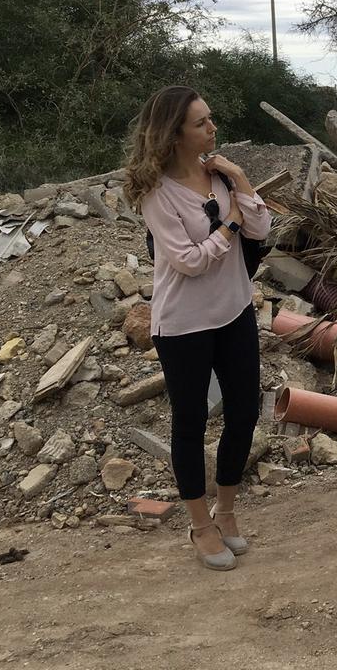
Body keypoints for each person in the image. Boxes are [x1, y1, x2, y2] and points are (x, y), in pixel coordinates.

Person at [124, 86, 271, 570]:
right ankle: (199, 525)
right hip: (184, 324)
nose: (212, 129)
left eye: (211, 119)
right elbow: (187, 262)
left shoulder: (219, 177)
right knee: (189, 423)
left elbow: (262, 231)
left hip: (234, 311)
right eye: (202, 123)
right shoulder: (155, 192)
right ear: (174, 134)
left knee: (245, 412)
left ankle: (226, 512)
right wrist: (227, 224)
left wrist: (241, 180)